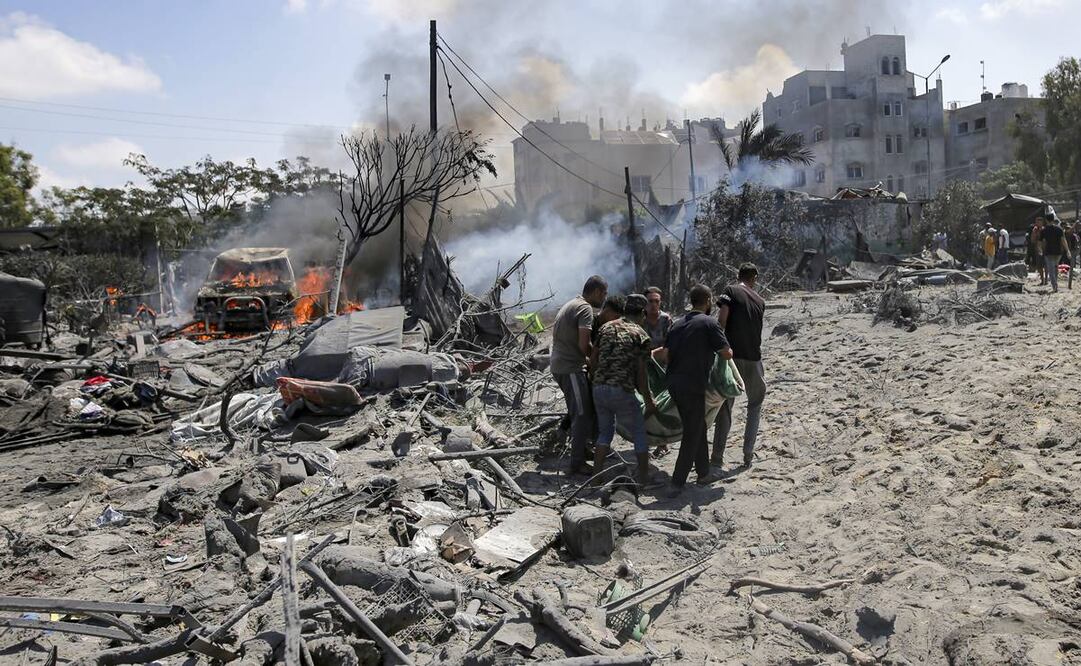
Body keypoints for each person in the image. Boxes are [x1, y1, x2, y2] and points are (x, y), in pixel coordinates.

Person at [664, 284, 732, 498]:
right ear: (709, 300)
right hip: (693, 385)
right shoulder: (709, 323)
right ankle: (677, 482)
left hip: (673, 384)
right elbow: (726, 353)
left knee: (698, 425)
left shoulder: (675, 325)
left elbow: (666, 355)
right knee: (692, 432)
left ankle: (703, 473)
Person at [590, 293, 657, 486]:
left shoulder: (605, 327)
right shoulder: (640, 335)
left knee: (604, 433)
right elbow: (641, 374)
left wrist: (597, 380)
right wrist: (649, 401)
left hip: (599, 388)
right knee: (639, 432)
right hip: (622, 390)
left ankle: (596, 477)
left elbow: (593, 360)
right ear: (643, 313)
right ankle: (643, 477)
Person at [712, 263, 767, 469]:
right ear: (754, 277)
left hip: (732, 357)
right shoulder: (760, 301)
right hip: (754, 358)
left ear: (739, 275)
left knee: (725, 406)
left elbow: (722, 319)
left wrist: (717, 346)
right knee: (755, 404)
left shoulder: (731, 291)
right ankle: (748, 454)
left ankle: (717, 457)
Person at [551, 275, 607, 474]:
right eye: (604, 293)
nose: (604, 298)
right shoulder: (584, 309)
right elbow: (584, 344)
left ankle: (582, 449)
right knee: (581, 414)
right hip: (570, 368)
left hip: (563, 364)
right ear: (597, 292)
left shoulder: (572, 303)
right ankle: (576, 463)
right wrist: (595, 359)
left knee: (583, 409)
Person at [1041, 215, 1071, 293]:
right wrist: (1067, 250)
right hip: (1058, 252)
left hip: (1048, 252)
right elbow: (1063, 240)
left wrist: (1042, 250)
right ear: (1053, 219)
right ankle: (1055, 283)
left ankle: (1054, 286)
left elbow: (1043, 242)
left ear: (1046, 220)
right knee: (1055, 267)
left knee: (1051, 270)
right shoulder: (1059, 229)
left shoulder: (1044, 230)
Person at [1030, 216, 1046, 285]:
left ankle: (1045, 280)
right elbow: (1032, 240)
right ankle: (1043, 280)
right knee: (1039, 266)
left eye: (1039, 222)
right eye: (1037, 222)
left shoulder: (1045, 229)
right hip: (1038, 249)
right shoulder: (1035, 230)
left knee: (1046, 265)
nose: (1037, 223)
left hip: (1045, 249)